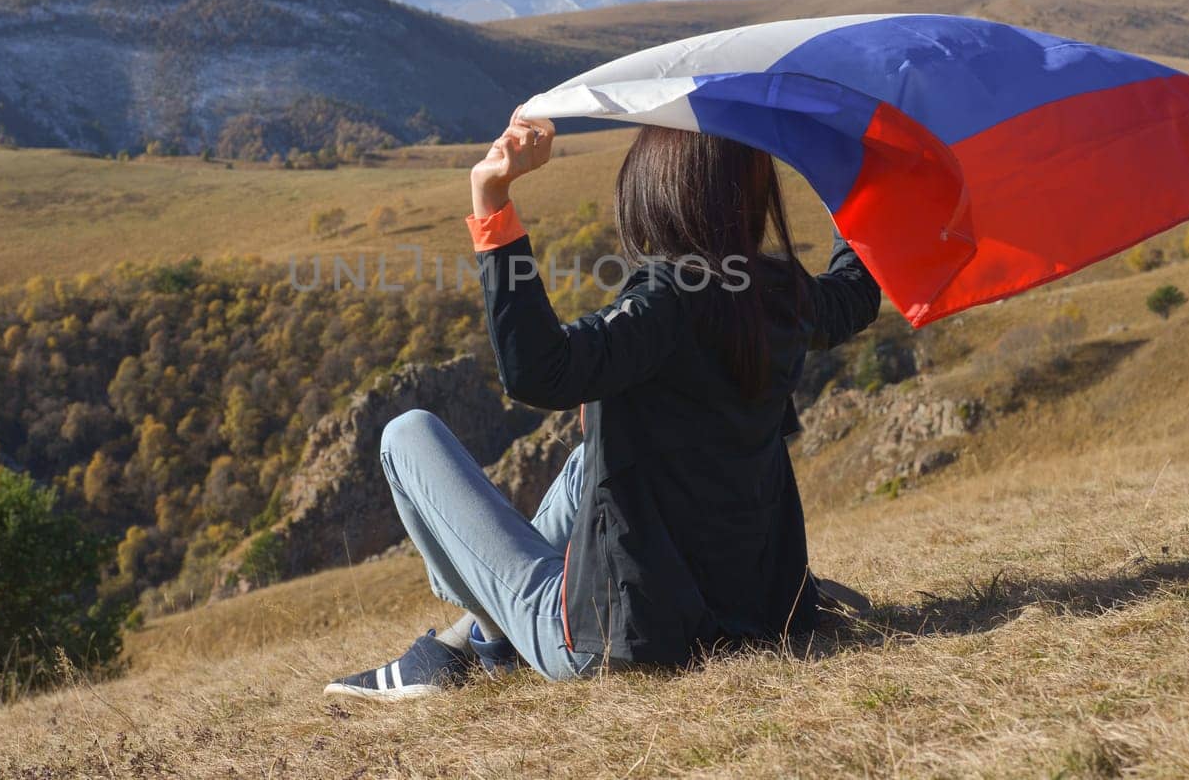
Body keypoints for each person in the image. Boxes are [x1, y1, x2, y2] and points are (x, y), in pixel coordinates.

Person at [325, 108, 881, 700]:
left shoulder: (666, 302)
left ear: (657, 187)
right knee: (589, 460)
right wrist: (846, 185)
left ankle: (479, 641)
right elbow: (857, 291)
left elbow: (540, 371)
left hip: (616, 638)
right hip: (756, 612)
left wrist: (490, 199)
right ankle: (469, 645)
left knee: (407, 435)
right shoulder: (780, 293)